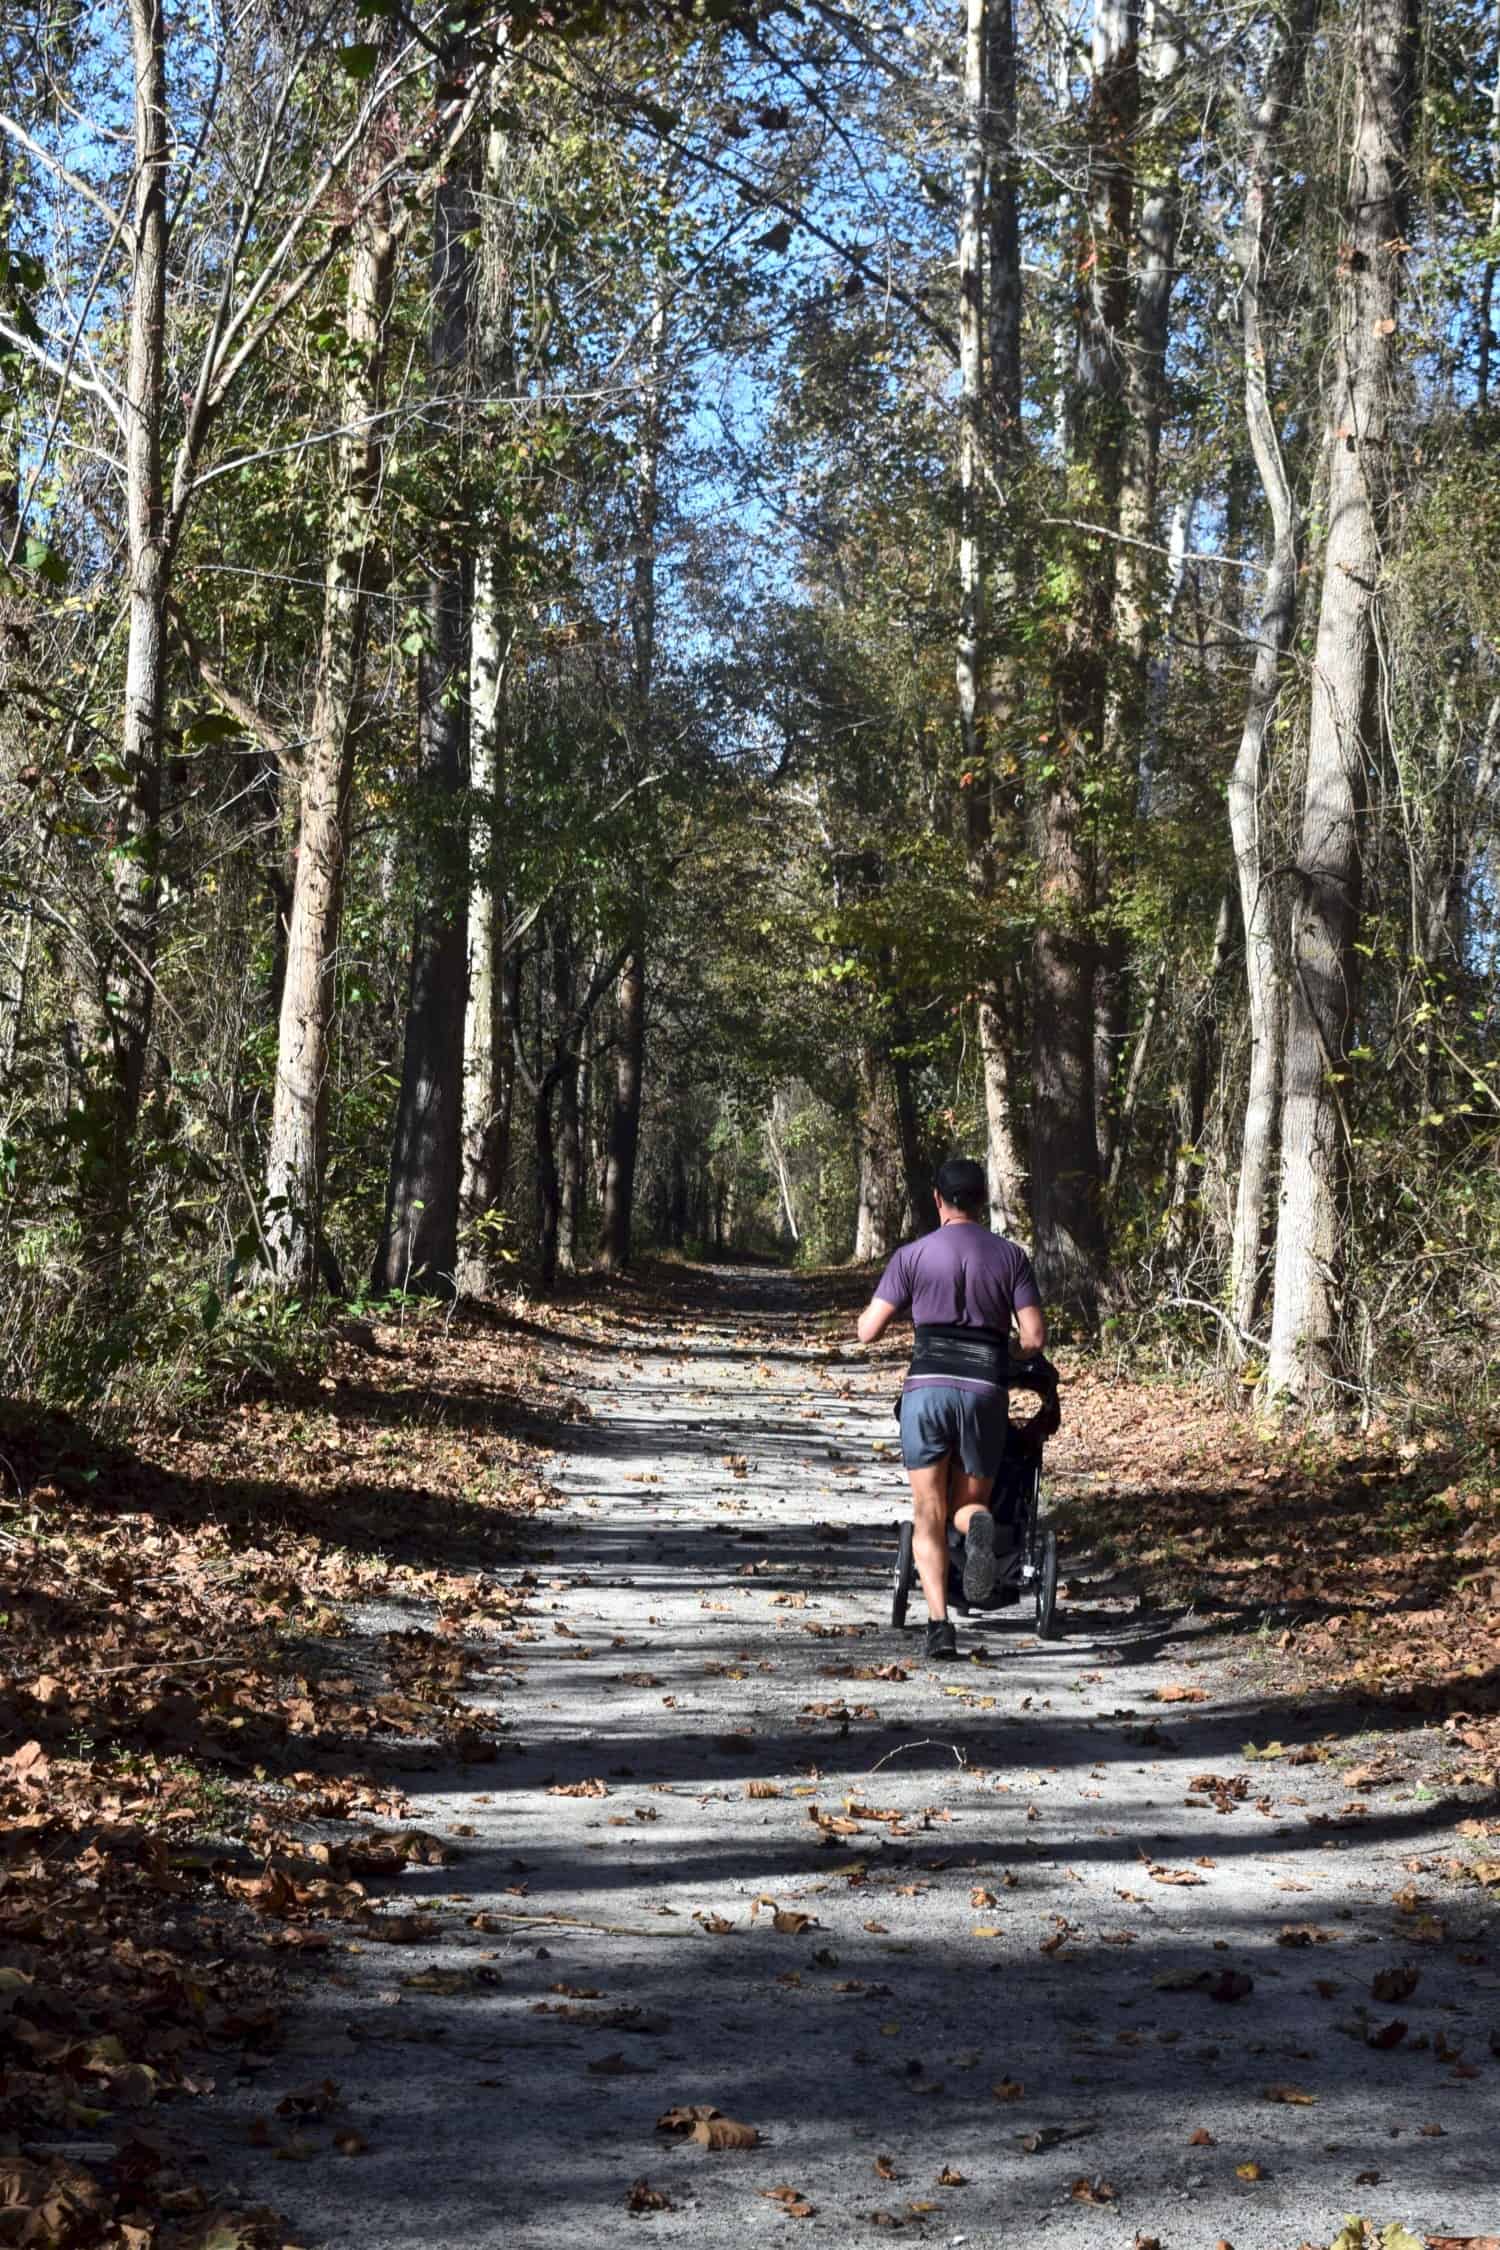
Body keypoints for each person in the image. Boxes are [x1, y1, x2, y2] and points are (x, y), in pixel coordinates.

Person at [856, 1156, 1046, 1661]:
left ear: (937, 1199)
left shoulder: (912, 1256)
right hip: (983, 1389)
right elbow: (1034, 1336)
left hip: (927, 1389)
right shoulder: (1010, 1257)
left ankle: (939, 1626)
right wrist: (1008, 1354)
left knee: (928, 1513)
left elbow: (867, 1330)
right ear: (982, 1200)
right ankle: (978, 1526)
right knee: (966, 1505)